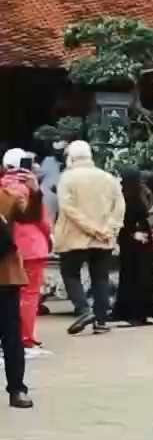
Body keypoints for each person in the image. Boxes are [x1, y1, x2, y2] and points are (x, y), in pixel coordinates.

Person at [52, 140, 123, 336]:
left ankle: (84, 310)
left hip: (74, 236)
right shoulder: (108, 177)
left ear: (71, 157)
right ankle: (101, 321)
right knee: (100, 277)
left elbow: (68, 208)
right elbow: (119, 206)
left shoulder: (67, 178)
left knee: (70, 273)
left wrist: (91, 228)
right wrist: (108, 229)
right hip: (103, 238)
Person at [0, 159, 44, 407]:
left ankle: (17, 388)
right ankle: (17, 390)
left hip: (5, 277)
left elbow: (30, 216)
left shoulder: (7, 197)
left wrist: (35, 192)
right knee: (11, 336)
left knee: (12, 336)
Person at [2, 149, 51, 358]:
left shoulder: (4, 188)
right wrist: (50, 237)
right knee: (29, 295)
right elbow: (38, 219)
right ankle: (25, 336)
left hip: (11, 249)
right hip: (30, 247)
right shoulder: (25, 188)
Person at [109, 170, 153, 327]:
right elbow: (126, 220)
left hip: (135, 242)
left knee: (134, 276)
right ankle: (137, 313)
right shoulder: (131, 198)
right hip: (137, 242)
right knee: (138, 277)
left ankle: (134, 312)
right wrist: (133, 233)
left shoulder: (129, 197)